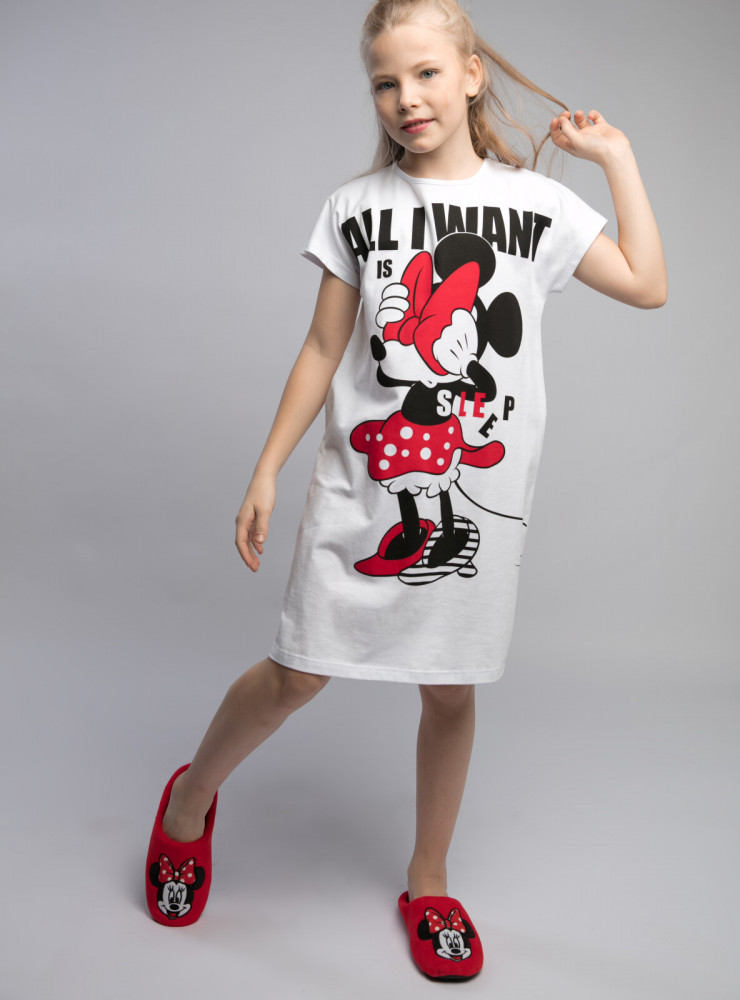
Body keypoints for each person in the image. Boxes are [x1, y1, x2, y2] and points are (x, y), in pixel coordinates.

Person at [144, 0, 666, 981]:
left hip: (471, 490)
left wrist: (616, 157)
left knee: (450, 689)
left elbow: (647, 281)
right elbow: (322, 346)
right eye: (385, 81)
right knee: (297, 673)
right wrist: (266, 468)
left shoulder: (535, 205)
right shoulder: (357, 207)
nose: (406, 97)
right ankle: (188, 800)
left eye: (426, 73)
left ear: (471, 75)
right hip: (361, 485)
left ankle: (429, 881)